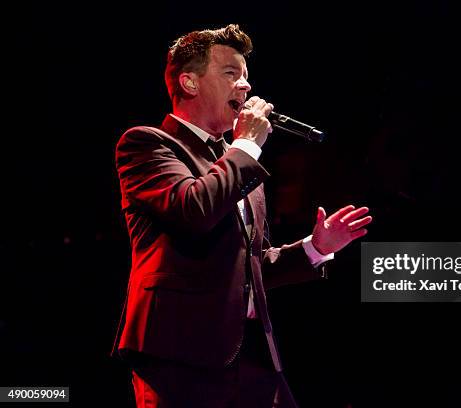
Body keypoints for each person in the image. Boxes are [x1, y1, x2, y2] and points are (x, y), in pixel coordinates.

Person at [111, 24, 372, 408]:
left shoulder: (240, 163)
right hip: (179, 353)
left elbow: (252, 265)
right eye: (230, 74)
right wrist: (247, 144)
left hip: (253, 355)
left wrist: (315, 248)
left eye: (246, 77)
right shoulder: (148, 144)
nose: (245, 87)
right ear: (189, 83)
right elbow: (193, 209)